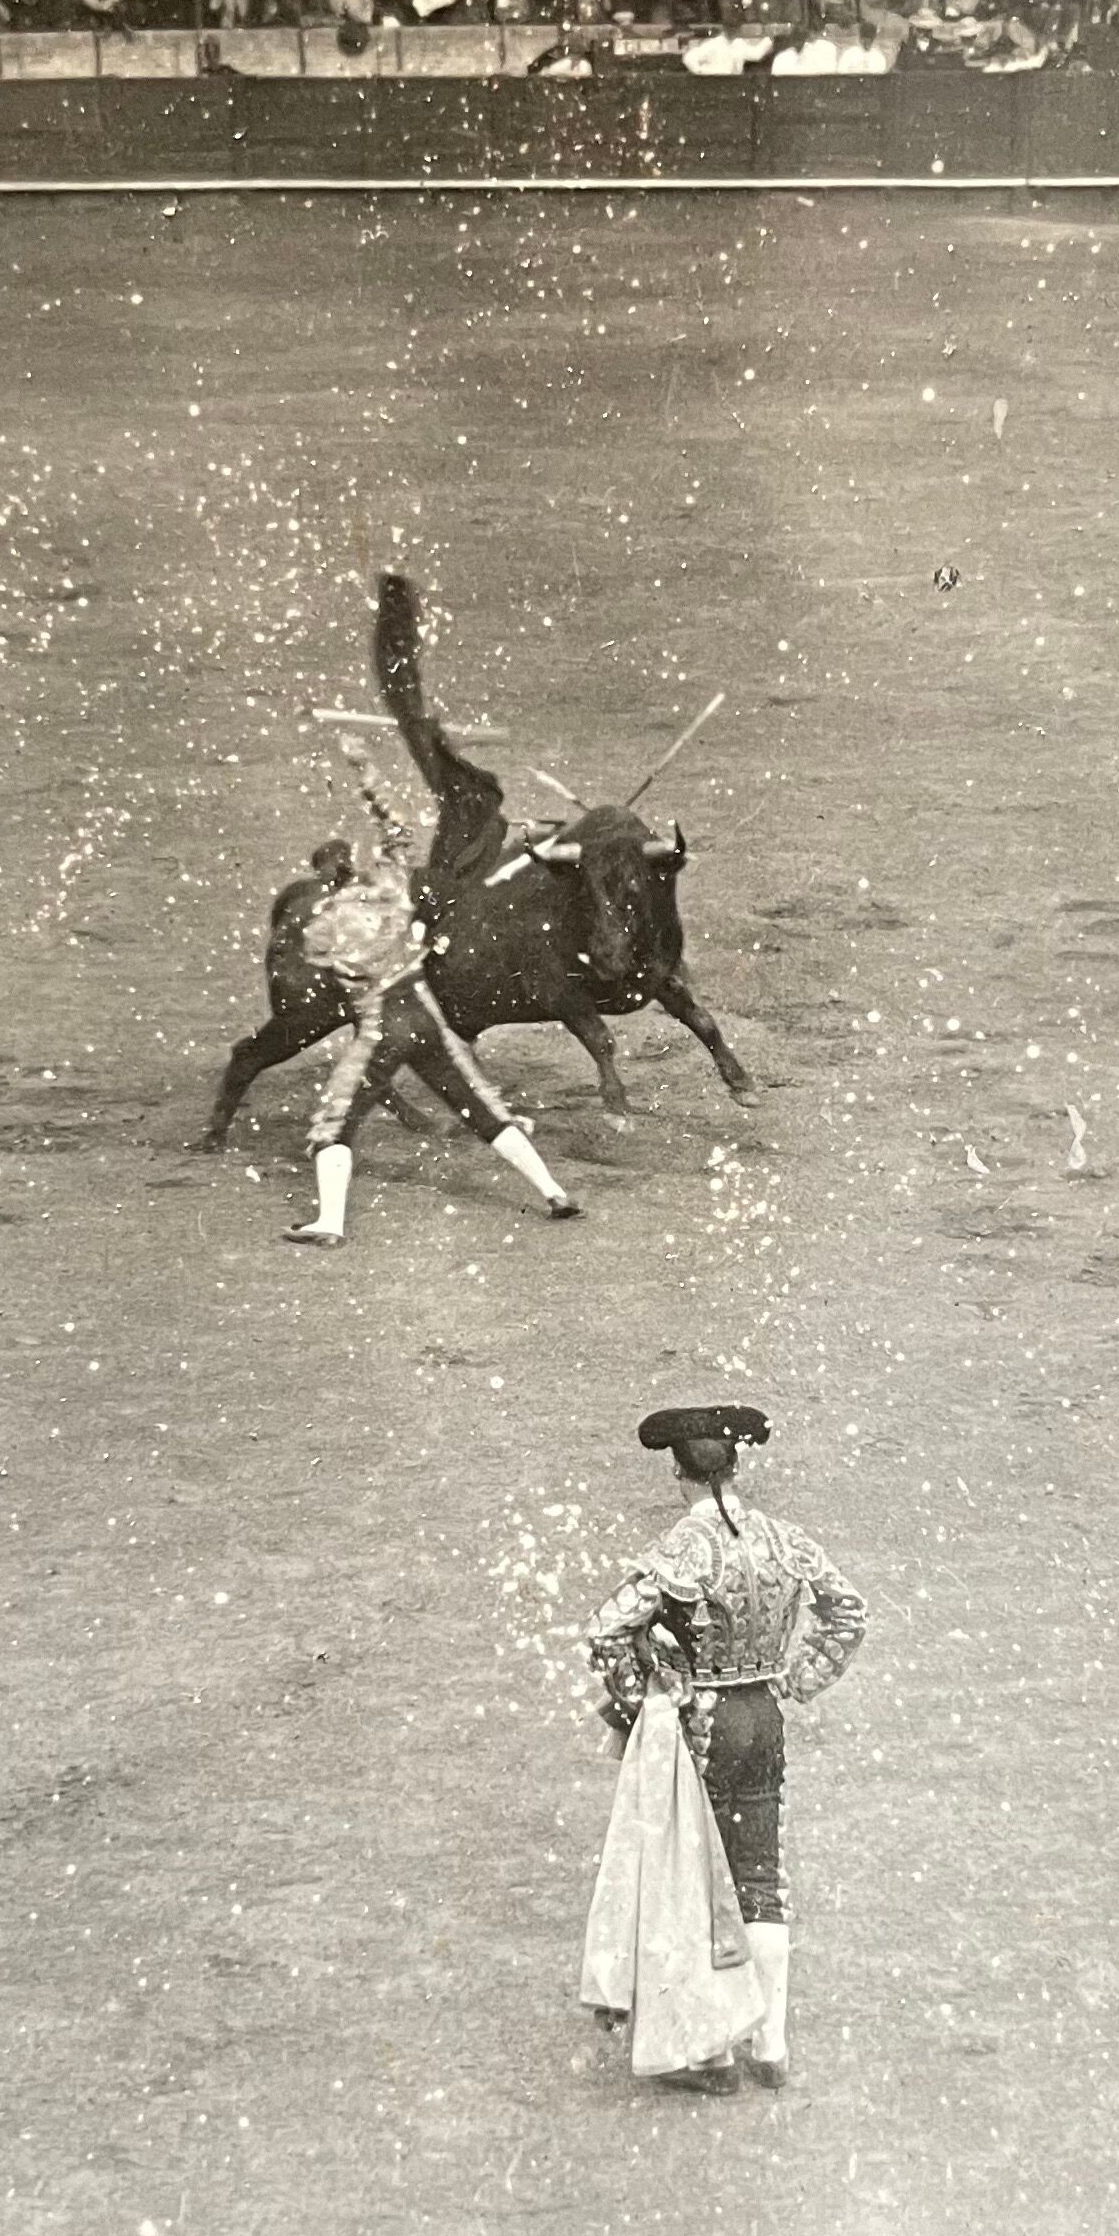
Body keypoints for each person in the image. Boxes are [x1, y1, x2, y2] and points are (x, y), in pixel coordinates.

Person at [580, 1405, 867, 2091]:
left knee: (696, 1881)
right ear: (736, 1468)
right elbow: (849, 1611)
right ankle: (771, 2044)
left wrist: (645, 1698)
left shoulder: (681, 1549)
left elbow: (605, 1631)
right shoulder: (783, 1538)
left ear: (678, 1474)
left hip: (702, 1725)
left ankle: (711, 2053)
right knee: (761, 1877)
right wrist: (799, 1677)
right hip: (764, 1715)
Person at [283, 740, 579, 1246]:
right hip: (425, 1016)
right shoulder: (392, 885)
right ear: (354, 865)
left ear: (324, 880)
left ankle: (330, 1222)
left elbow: (321, 965)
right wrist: (365, 771)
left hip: (380, 1027)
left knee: (335, 1122)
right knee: (484, 1108)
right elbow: (396, 829)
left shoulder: (324, 923)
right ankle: (555, 1192)